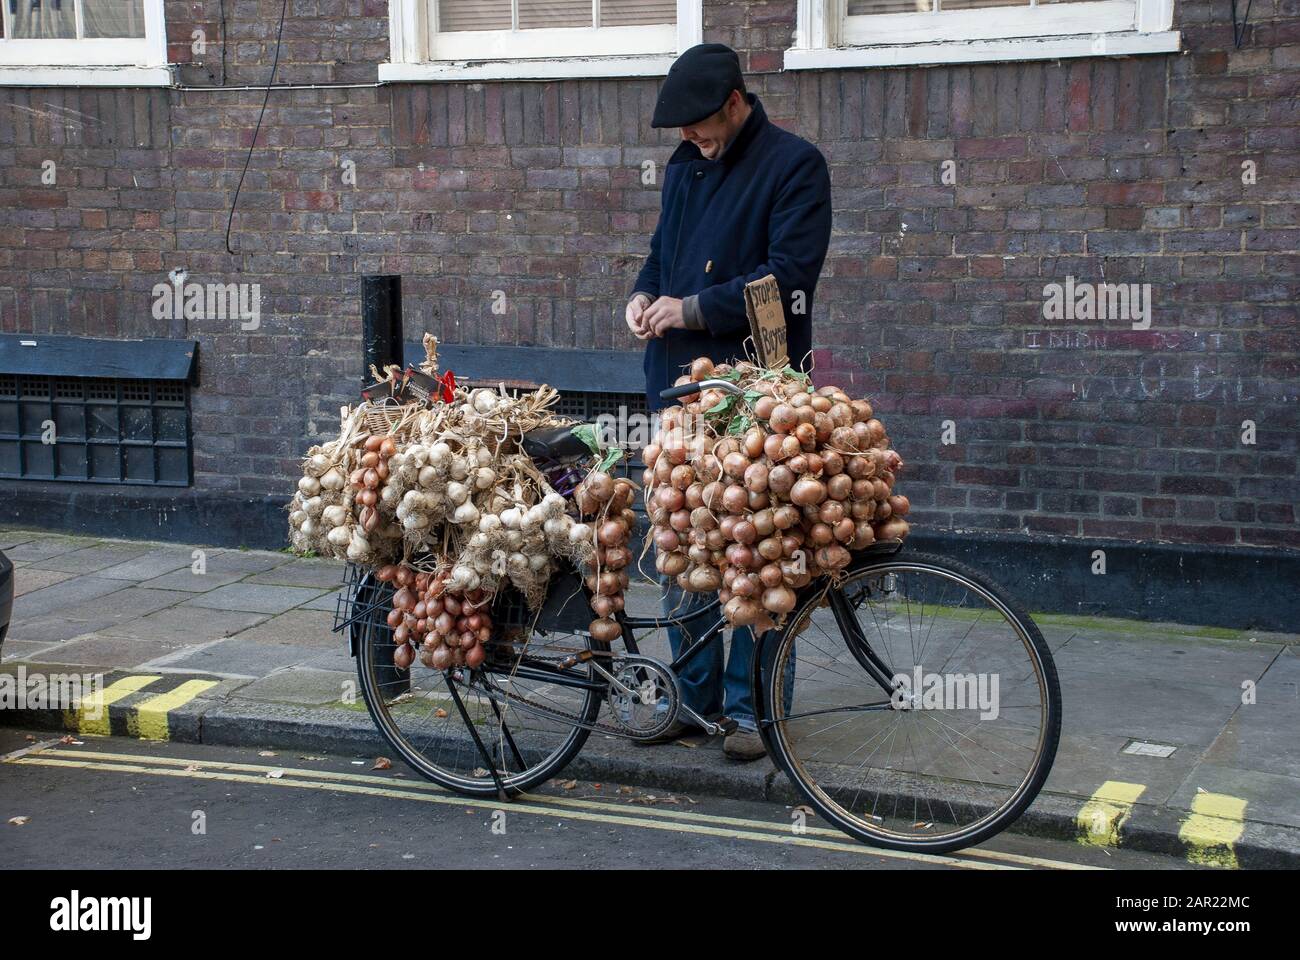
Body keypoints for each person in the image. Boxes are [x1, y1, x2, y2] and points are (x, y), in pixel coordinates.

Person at [625, 42, 832, 760]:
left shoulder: (795, 165)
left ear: (737, 103)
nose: (689, 138)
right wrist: (644, 295)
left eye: (699, 125)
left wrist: (690, 311)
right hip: (679, 390)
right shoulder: (685, 167)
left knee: (758, 552)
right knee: (684, 547)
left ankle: (753, 713)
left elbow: (787, 281)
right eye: (681, 129)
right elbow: (660, 249)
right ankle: (687, 697)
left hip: (756, 397)